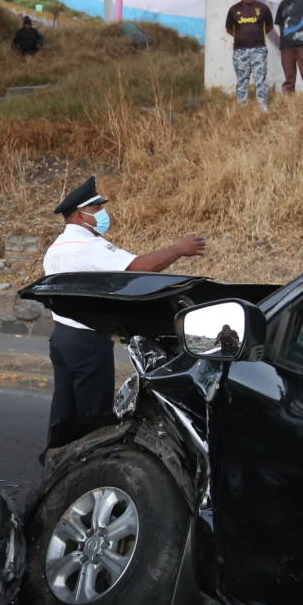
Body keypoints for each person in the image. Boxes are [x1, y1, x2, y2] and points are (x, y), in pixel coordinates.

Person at [42, 176, 206, 437]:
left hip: (62, 337)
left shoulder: (57, 247)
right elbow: (136, 268)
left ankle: (56, 458)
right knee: (93, 412)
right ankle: (89, 466)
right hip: (87, 341)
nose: (102, 214)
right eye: (96, 209)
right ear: (79, 215)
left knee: (64, 406)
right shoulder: (87, 246)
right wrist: (179, 249)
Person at [224, 0, 274, 109]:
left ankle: (263, 106)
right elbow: (229, 29)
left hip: (259, 49)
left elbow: (269, 26)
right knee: (242, 80)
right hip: (240, 51)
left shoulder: (263, 8)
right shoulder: (234, 10)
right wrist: (241, 37)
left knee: (260, 79)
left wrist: (255, 38)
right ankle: (242, 106)